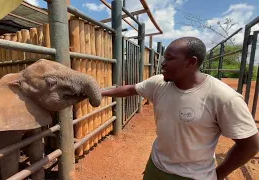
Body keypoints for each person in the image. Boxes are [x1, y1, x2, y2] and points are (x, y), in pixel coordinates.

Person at [101, 37, 259, 180]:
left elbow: (250, 145)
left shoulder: (223, 97)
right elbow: (131, 89)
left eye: (169, 58)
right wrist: (99, 92)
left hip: (193, 176)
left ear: (191, 62)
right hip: (156, 166)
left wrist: (219, 174)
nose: (163, 63)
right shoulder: (159, 84)